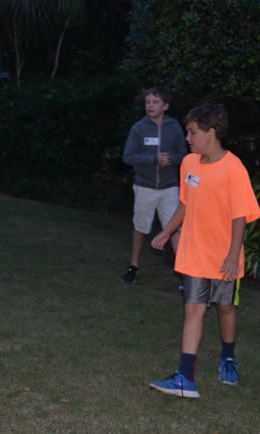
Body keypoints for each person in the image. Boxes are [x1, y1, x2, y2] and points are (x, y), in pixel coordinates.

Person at [149, 104, 260, 399]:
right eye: (188, 131)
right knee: (193, 308)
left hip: (224, 257)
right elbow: (185, 204)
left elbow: (240, 216)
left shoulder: (234, 168)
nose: (188, 137)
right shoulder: (189, 164)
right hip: (194, 254)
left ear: (211, 133)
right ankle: (186, 377)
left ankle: (228, 357)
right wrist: (167, 230)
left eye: (193, 132)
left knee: (225, 308)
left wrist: (232, 255)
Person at [121, 87, 187, 284]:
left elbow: (185, 155)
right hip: (145, 187)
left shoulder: (174, 127)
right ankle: (133, 265)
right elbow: (128, 156)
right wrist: (152, 159)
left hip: (169, 187)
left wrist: (172, 160)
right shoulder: (139, 128)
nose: (150, 105)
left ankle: (184, 272)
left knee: (175, 228)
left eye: (155, 102)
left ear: (165, 106)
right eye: (148, 102)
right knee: (141, 227)